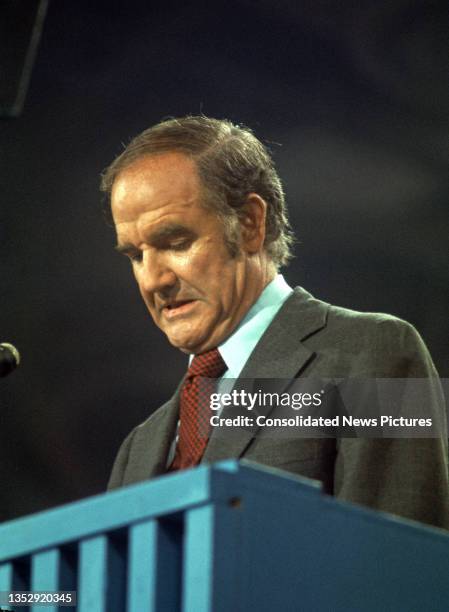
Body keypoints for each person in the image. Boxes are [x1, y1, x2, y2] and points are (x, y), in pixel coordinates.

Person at [101, 115, 448, 529]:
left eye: (176, 243)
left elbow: (397, 568)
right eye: (136, 256)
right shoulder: (138, 449)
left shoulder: (373, 354)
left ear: (249, 223)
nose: (153, 279)